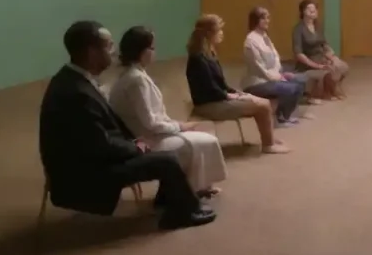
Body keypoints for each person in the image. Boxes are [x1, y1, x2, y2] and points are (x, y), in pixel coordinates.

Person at [39, 21, 215, 230]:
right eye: (109, 46)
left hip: (87, 159)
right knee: (166, 160)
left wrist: (134, 142)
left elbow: (99, 133)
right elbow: (99, 144)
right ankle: (181, 214)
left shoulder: (73, 80)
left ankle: (174, 201)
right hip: (83, 172)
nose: (114, 53)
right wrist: (135, 147)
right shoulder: (76, 92)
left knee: (160, 154)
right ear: (92, 52)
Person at [109, 26, 227, 198]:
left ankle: (191, 187)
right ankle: (187, 191)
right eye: (152, 48)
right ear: (141, 51)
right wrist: (180, 126)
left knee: (203, 135)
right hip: (147, 140)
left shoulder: (133, 75)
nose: (154, 52)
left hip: (147, 134)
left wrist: (177, 125)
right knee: (206, 140)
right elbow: (151, 123)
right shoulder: (136, 80)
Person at [185, 14, 289, 154]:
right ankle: (268, 145)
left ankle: (269, 138)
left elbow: (221, 84)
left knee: (262, 102)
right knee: (263, 106)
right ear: (208, 33)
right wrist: (231, 97)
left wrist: (238, 93)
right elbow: (210, 90)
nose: (222, 33)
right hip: (208, 105)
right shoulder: (198, 59)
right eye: (219, 30)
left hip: (217, 99)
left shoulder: (209, 54)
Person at [242, 7, 306, 126]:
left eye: (267, 18)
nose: (267, 21)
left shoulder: (265, 37)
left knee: (300, 81)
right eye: (263, 18)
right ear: (255, 20)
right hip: (257, 82)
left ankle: (285, 115)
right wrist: (277, 78)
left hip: (273, 76)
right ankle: (280, 118)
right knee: (291, 88)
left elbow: (276, 58)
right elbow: (258, 67)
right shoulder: (250, 41)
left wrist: (280, 74)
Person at [292, 0, 348, 100]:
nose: (313, 10)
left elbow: (324, 44)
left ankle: (332, 88)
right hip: (309, 62)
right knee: (328, 71)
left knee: (342, 66)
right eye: (309, 8)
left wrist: (332, 57)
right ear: (303, 11)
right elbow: (299, 54)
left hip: (321, 57)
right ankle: (327, 92)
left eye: (314, 8)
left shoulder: (318, 25)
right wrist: (317, 66)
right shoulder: (298, 29)